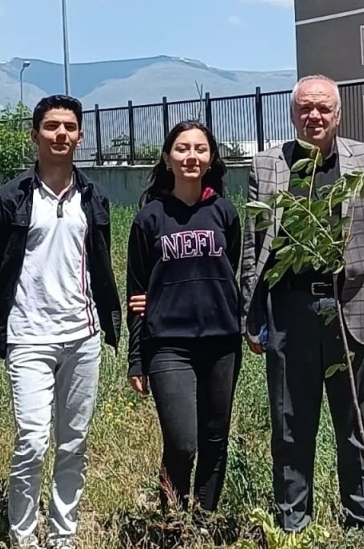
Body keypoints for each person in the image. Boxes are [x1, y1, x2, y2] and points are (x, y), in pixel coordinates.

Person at [239, 74, 364, 538]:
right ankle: (294, 524)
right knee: (290, 424)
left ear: (338, 113)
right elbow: (254, 249)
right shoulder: (268, 165)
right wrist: (251, 317)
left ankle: (362, 526)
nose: (314, 116)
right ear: (293, 113)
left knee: (356, 426)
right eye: (305, 108)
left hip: (353, 309)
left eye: (323, 109)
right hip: (289, 312)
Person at [0, 94, 122, 549]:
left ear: (80, 135)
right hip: (28, 337)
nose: (61, 134)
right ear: (34, 134)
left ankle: (63, 534)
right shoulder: (10, 198)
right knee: (33, 440)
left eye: (69, 127)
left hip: (83, 337)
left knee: (73, 442)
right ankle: (23, 536)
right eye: (51, 126)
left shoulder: (93, 197)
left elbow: (99, 261)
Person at [124, 121, 242, 519]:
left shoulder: (224, 212)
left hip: (222, 341)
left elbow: (232, 272)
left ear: (210, 159)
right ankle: (172, 522)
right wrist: (136, 358)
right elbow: (136, 297)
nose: (191, 156)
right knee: (183, 442)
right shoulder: (149, 219)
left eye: (200, 149)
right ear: (167, 158)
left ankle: (203, 522)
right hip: (168, 344)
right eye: (182, 149)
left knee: (215, 438)